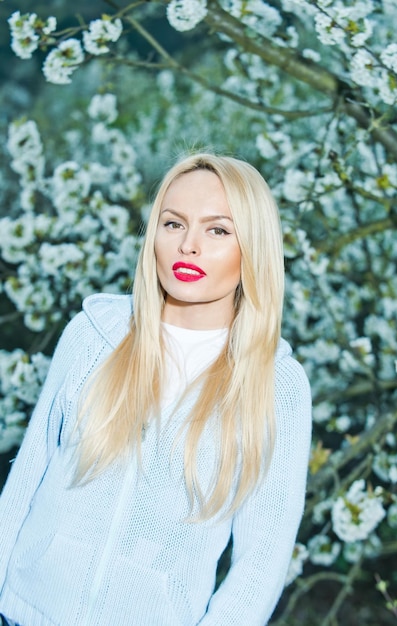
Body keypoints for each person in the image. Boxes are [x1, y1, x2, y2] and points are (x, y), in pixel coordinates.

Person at [0, 152, 312, 626]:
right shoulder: (92, 336)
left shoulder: (277, 386)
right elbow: (24, 483)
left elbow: (262, 561)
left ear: (253, 247)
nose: (189, 245)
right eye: (173, 224)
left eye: (217, 230)